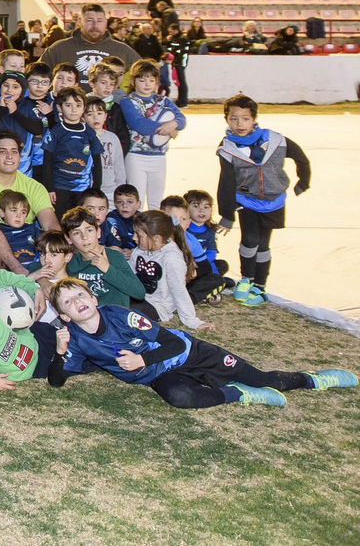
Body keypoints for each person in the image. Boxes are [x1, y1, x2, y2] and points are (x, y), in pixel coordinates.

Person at [46, 277, 355, 408]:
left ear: (94, 298)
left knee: (265, 379)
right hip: (162, 375)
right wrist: (60, 355)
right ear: (65, 316)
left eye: (80, 295)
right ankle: (237, 395)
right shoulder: (73, 339)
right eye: (69, 302)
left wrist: (142, 361)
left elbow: (174, 345)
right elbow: (57, 381)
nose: (77, 302)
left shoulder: (121, 317)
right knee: (179, 398)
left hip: (192, 353)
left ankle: (314, 380)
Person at [216, 93, 311, 307]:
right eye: (234, 118)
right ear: (226, 119)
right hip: (246, 200)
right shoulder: (227, 148)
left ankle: (260, 286)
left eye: (245, 118)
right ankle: (246, 279)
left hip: (273, 201)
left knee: (264, 244)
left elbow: (300, 157)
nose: (239, 123)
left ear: (254, 119)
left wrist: (303, 182)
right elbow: (226, 182)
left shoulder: (275, 140)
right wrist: (227, 214)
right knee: (250, 240)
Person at [0, 131, 58, 275]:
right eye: (2, 152)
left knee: (63, 239)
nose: (9, 157)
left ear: (20, 158)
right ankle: (2, 293)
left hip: (26, 246)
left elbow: (51, 225)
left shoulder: (34, 186)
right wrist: (18, 270)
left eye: (14, 152)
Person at [117, 59, 185, 209]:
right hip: (136, 156)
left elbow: (181, 119)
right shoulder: (128, 102)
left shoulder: (163, 100)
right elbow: (138, 123)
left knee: (157, 200)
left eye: (151, 80)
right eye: (142, 80)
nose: (147, 84)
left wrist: (173, 124)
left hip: (159, 156)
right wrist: (166, 129)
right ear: (133, 81)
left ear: (156, 82)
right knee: (137, 199)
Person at [62, 206, 151, 314]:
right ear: (68, 239)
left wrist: (107, 269)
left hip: (116, 318)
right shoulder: (71, 262)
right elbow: (42, 266)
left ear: (98, 232)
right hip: (87, 318)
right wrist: (43, 282)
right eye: (76, 233)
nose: (84, 237)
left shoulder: (113, 256)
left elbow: (139, 293)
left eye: (89, 230)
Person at [129, 210, 207, 329]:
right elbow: (129, 273)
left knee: (128, 313)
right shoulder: (140, 250)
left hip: (157, 306)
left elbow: (179, 291)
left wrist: (191, 320)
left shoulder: (171, 258)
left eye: (139, 235)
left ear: (156, 239)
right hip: (138, 297)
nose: (134, 238)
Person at [39, 87, 102, 219]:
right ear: (60, 108)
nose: (74, 110)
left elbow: (97, 163)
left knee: (80, 223)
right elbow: (47, 162)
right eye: (68, 105)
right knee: (59, 223)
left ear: (84, 108)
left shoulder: (90, 133)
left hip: (82, 189)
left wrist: (95, 190)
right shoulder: (56, 131)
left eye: (78, 105)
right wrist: (49, 188)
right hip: (59, 187)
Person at [42, 3, 141, 85]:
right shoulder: (59, 48)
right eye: (90, 21)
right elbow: (37, 74)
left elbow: (145, 75)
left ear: (106, 23)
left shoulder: (123, 50)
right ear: (80, 21)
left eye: (99, 21)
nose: (95, 26)